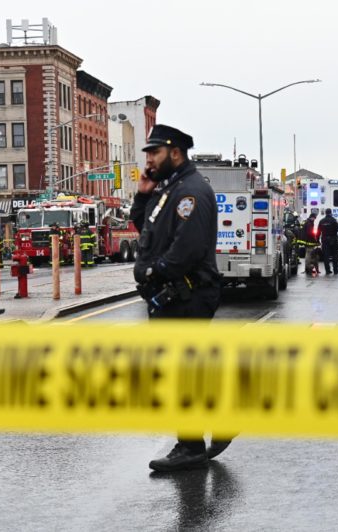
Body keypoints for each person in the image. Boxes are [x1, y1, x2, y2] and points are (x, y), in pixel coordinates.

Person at [129, 124, 226, 472]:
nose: (149, 160)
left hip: (187, 293)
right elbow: (146, 229)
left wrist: (154, 272)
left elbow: (188, 247)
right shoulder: (167, 190)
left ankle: (191, 445)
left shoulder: (191, 193)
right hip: (173, 296)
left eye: (154, 153)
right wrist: (142, 194)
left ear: (175, 152)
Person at [318, 208, 338, 275]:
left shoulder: (321, 221)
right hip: (333, 240)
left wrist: (317, 240)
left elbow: (318, 231)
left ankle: (327, 270)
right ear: (331, 213)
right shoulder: (334, 220)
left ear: (325, 213)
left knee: (326, 256)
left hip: (325, 240)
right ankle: (335, 270)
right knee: (335, 255)